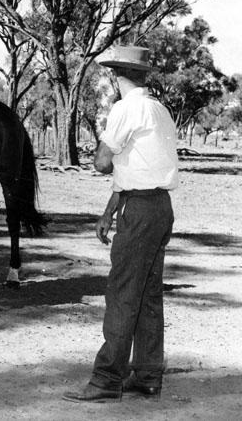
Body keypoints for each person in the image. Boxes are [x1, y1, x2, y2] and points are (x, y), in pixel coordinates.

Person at [63, 45, 179, 403]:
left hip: (140, 212)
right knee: (148, 295)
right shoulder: (160, 110)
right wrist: (110, 209)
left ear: (117, 76)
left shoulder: (125, 109)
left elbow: (102, 162)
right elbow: (138, 167)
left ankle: (106, 379)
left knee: (123, 293)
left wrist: (106, 158)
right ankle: (147, 376)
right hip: (159, 207)